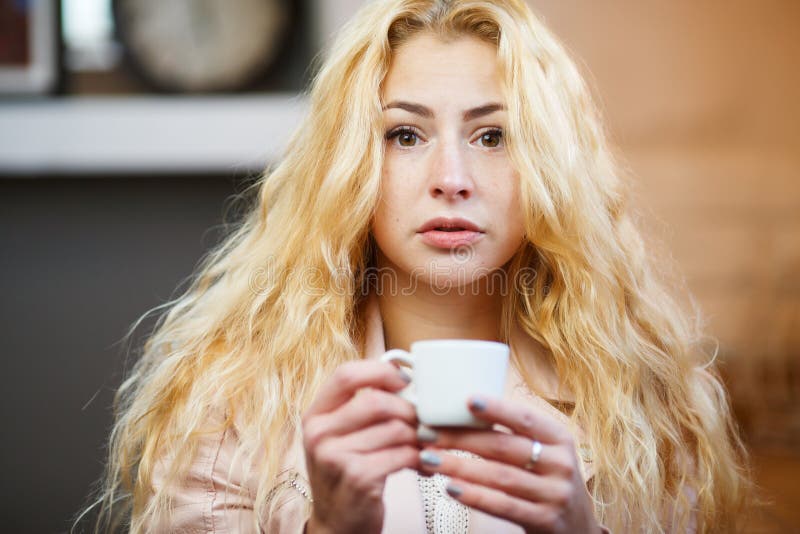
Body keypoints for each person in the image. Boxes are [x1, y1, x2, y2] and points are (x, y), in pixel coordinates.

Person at [81, 0, 751, 532]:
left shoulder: (641, 394)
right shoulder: (231, 394)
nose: (452, 178)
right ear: (349, 162)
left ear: (548, 167)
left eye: (493, 136)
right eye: (406, 134)